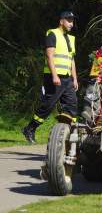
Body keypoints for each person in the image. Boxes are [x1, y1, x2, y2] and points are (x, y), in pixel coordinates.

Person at [22, 11, 78, 144]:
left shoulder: (71, 38)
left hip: (67, 78)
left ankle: (66, 135)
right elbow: (49, 56)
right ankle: (29, 129)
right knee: (48, 105)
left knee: (72, 105)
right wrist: (54, 75)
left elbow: (72, 60)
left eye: (72, 21)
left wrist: (74, 78)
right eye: (68, 20)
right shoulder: (52, 34)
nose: (71, 23)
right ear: (61, 21)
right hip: (54, 77)